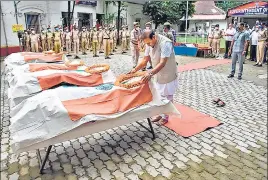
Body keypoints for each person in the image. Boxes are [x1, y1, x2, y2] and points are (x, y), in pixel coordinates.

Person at [129, 30, 178, 125]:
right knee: (159, 94)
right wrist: (135, 69)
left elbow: (163, 63)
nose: (148, 45)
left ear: (154, 37)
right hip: (157, 72)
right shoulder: (149, 43)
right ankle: (160, 114)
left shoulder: (166, 43)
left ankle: (166, 117)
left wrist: (150, 73)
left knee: (167, 96)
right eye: (146, 43)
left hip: (168, 72)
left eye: (148, 42)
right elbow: (145, 60)